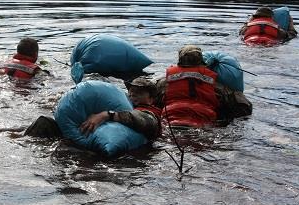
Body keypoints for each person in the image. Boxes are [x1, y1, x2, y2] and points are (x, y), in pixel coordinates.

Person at [25, 77, 162, 140]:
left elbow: (144, 121)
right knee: (44, 122)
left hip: (110, 149)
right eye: (131, 90)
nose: (133, 94)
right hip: (83, 135)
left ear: (151, 99)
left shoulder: (150, 113)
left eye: (140, 92)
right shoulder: (121, 102)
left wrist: (106, 115)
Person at [155, 45, 252, 127]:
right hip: (204, 121)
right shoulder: (215, 84)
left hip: (170, 120)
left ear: (179, 61)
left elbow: (153, 101)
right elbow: (243, 106)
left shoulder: (164, 82)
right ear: (201, 61)